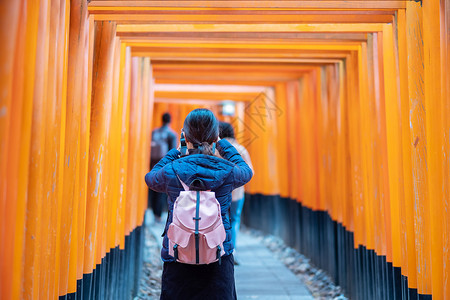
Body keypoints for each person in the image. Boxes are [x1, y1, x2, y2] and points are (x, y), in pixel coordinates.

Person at [145, 108, 253, 300]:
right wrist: (222, 144)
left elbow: (151, 178)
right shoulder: (227, 170)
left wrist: (177, 151)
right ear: (215, 136)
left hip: (178, 252)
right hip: (218, 252)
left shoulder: (172, 170)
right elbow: (246, 171)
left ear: (185, 136)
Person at [219, 122, 253, 264]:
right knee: (234, 220)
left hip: (220, 193)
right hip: (237, 194)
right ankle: (232, 251)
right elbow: (250, 171)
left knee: (220, 220)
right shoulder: (241, 149)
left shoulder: (217, 149)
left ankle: (221, 250)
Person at [149, 113, 177, 222]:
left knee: (153, 188)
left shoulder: (154, 132)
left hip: (153, 164)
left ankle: (154, 211)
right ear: (170, 121)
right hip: (164, 166)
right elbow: (173, 151)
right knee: (162, 190)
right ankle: (159, 214)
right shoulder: (171, 134)